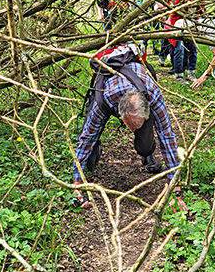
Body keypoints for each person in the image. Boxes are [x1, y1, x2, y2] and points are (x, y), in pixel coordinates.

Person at [72, 57, 186, 209]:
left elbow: (167, 136)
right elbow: (87, 137)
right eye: (130, 124)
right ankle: (93, 156)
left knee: (145, 147)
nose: (132, 130)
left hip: (141, 88)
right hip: (108, 89)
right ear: (120, 112)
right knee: (90, 149)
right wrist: (77, 184)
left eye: (137, 124)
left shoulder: (153, 95)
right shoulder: (105, 99)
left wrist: (175, 189)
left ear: (147, 114)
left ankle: (147, 154)